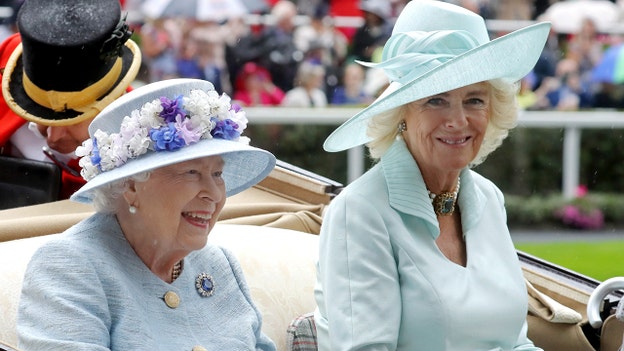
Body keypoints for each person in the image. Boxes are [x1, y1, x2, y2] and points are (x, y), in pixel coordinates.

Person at [314, 1, 551, 350]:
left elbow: (514, 343)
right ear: (401, 113)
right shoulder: (360, 213)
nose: (458, 120)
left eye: (474, 100)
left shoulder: (488, 198)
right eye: (436, 100)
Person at [17, 78, 277, 351]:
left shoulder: (218, 263)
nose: (214, 194)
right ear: (130, 186)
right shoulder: (68, 266)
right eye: (192, 172)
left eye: (217, 173)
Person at [0, 0, 141, 200]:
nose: (53, 137)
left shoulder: (142, 143)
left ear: (114, 98)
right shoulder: (10, 59)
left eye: (72, 119)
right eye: (39, 112)